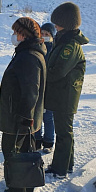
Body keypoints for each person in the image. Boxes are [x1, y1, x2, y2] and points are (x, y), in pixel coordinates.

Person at [0, 17, 46, 192]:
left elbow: (30, 90)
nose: (14, 36)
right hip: (21, 116)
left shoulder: (28, 56)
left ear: (24, 34)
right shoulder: (29, 52)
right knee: (22, 151)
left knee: (13, 153)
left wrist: (25, 117)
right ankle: (22, 186)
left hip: (18, 117)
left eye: (17, 32)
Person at [44, 2, 89, 179]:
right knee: (64, 131)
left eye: (58, 22)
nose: (55, 26)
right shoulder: (63, 41)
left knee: (63, 132)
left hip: (65, 95)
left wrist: (43, 72)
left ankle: (60, 168)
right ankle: (66, 165)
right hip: (62, 94)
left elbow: (58, 71)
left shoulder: (70, 45)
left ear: (67, 23)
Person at [34, 22, 56, 154]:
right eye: (42, 34)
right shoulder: (37, 47)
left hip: (50, 87)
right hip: (37, 86)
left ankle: (48, 142)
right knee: (36, 115)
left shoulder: (54, 49)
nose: (44, 36)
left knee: (48, 116)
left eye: (47, 34)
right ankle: (36, 140)